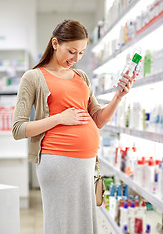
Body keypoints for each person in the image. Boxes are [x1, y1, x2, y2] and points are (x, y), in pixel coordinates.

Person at [12, 19, 136, 234]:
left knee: (83, 224)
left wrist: (118, 97)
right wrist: (59, 118)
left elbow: (98, 119)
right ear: (55, 43)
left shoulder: (81, 76)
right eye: (71, 51)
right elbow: (18, 129)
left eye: (81, 53)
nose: (76, 58)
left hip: (85, 162)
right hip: (57, 160)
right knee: (63, 225)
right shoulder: (33, 77)